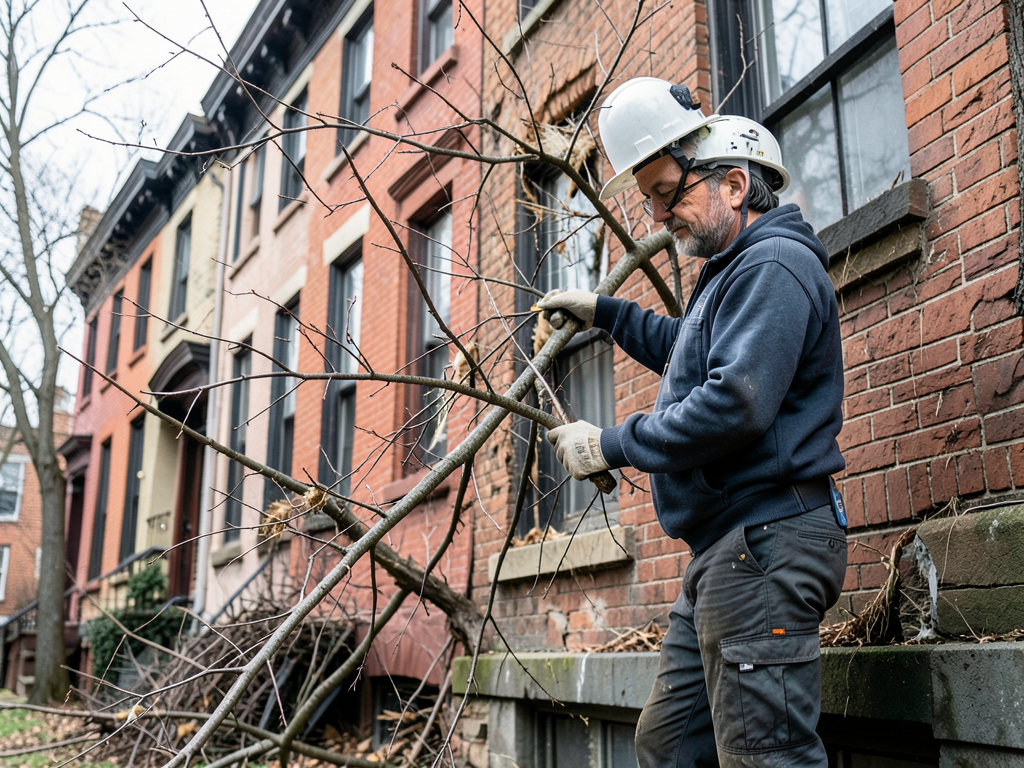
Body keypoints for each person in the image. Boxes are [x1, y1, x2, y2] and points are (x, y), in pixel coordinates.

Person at [538, 78, 848, 767]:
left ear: (735, 185)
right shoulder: (734, 270)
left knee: (765, 757)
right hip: (727, 550)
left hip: (766, 543)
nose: (655, 214)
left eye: (668, 192)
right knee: (674, 744)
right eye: (647, 197)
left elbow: (734, 402)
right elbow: (688, 349)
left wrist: (611, 444)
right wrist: (605, 311)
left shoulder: (774, 263)